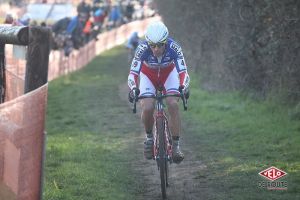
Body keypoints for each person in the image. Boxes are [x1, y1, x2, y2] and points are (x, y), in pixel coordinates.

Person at [127, 21, 190, 164]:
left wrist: (183, 86)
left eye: (160, 45)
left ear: (166, 42)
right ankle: (149, 139)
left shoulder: (174, 48)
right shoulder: (142, 49)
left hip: (169, 75)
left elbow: (183, 72)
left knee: (173, 104)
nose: (156, 49)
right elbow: (133, 74)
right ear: (147, 43)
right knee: (148, 107)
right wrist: (133, 89)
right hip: (148, 76)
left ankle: (176, 146)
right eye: (152, 45)